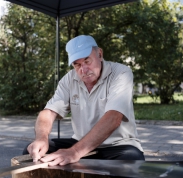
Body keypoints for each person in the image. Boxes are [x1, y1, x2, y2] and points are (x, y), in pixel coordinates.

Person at [23, 35, 145, 166]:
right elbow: (48, 112)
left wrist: (74, 152)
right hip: (80, 142)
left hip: (117, 145)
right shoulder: (69, 79)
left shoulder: (121, 73)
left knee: (132, 160)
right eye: (77, 65)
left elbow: (113, 118)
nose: (84, 70)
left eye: (87, 61)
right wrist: (41, 138)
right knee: (31, 153)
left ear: (100, 54)